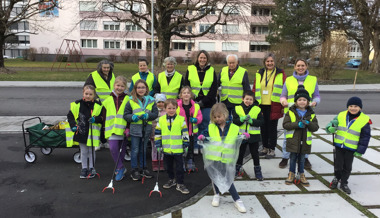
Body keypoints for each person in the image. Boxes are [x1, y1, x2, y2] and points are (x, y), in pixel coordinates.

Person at [198, 103, 249, 213]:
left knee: (228, 179)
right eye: (215, 117)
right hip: (214, 157)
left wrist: (244, 136)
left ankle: (237, 199)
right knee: (215, 176)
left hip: (227, 157)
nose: (217, 119)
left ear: (225, 115)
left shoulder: (234, 127)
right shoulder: (211, 127)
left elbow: (238, 138)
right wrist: (202, 137)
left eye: (219, 116)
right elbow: (205, 135)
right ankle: (216, 194)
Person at [279, 59, 320, 169]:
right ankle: (285, 157)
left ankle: (305, 157)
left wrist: (315, 102)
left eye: (303, 65)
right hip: (291, 112)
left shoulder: (312, 79)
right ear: (295, 67)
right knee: (288, 136)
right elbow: (283, 95)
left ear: (306, 66)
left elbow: (316, 95)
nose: (300, 67)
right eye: (298, 65)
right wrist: (283, 101)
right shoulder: (288, 80)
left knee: (305, 136)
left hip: (306, 112)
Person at [325, 97, 371, 194]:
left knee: (347, 167)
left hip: (351, 147)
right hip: (339, 145)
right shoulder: (341, 115)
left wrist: (360, 150)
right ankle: (336, 178)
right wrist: (330, 128)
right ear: (347, 107)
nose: (353, 108)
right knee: (338, 165)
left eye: (356, 106)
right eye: (351, 106)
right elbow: (332, 124)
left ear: (360, 108)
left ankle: (344, 182)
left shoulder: (364, 120)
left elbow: (365, 137)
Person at [283, 85, 319, 187]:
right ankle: (291, 173)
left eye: (304, 100)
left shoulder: (311, 114)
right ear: (295, 101)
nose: (302, 102)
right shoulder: (290, 112)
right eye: (299, 100)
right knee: (293, 158)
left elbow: (315, 127)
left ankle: (301, 174)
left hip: (305, 141)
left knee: (302, 159)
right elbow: (285, 125)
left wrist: (308, 123)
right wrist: (297, 124)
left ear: (308, 102)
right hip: (293, 140)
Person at [253, 53, 286, 159]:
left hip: (274, 105)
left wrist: (282, 107)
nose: (270, 63)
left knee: (272, 128)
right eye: (267, 61)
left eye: (271, 61)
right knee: (263, 127)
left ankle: (272, 149)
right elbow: (254, 89)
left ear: (274, 62)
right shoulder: (260, 73)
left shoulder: (280, 73)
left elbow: (285, 90)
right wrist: (254, 104)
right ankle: (265, 147)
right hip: (261, 104)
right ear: (264, 62)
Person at [123, 79, 158, 181]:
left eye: (143, 87)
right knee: (135, 149)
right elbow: (126, 115)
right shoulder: (131, 100)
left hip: (146, 128)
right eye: (138, 87)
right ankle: (134, 169)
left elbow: (155, 114)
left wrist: (148, 115)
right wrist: (132, 117)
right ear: (135, 89)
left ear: (146, 89)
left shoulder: (151, 100)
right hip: (135, 128)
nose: (141, 89)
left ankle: (143, 168)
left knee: (143, 149)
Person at [183, 50, 218, 153]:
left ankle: (203, 146)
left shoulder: (211, 70)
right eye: (201, 58)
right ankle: (194, 146)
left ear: (207, 59)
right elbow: (187, 85)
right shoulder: (190, 69)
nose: (202, 60)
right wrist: (192, 99)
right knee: (194, 125)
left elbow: (213, 88)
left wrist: (203, 101)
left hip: (207, 103)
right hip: (193, 102)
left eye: (204, 58)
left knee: (205, 124)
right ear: (197, 59)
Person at [66, 85, 103, 179]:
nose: (88, 96)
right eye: (86, 94)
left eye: (90, 94)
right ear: (83, 93)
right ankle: (84, 168)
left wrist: (95, 119)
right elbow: (70, 116)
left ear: (94, 95)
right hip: (81, 132)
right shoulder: (77, 104)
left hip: (92, 133)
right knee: (83, 151)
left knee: (91, 151)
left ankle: (91, 167)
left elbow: (102, 118)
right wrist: (73, 125)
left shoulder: (98, 106)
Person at [155, 99, 190, 194]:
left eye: (173, 108)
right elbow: (158, 133)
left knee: (179, 167)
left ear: (176, 108)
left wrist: (186, 144)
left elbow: (185, 133)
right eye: (169, 108)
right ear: (165, 109)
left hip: (178, 149)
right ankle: (171, 179)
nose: (171, 110)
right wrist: (158, 144)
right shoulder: (161, 120)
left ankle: (180, 183)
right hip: (166, 149)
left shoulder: (181, 119)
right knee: (168, 166)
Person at [101, 76, 129, 181]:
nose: (119, 88)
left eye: (122, 86)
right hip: (111, 129)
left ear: (125, 87)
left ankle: (119, 169)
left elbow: (129, 114)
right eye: (118, 85)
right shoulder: (108, 100)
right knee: (113, 149)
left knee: (121, 151)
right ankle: (121, 167)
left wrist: (128, 128)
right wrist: (104, 128)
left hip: (123, 129)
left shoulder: (128, 99)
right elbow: (104, 115)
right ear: (114, 85)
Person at [232, 91, 264, 180]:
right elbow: (235, 122)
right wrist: (241, 119)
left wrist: (252, 121)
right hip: (241, 136)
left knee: (255, 154)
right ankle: (237, 169)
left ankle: (258, 171)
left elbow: (261, 122)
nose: (248, 101)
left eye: (250, 99)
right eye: (246, 99)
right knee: (240, 153)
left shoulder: (257, 109)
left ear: (253, 101)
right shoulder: (237, 108)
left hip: (253, 136)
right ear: (243, 99)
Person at [176, 86, 203, 172]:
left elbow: (200, 117)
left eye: (188, 93)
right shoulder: (177, 105)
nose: (186, 94)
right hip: (181, 132)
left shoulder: (195, 106)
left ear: (191, 95)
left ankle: (190, 162)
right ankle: (182, 163)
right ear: (181, 95)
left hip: (190, 132)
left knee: (190, 147)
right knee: (182, 148)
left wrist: (196, 120)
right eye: (184, 93)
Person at [151, 93, 167, 172]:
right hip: (154, 133)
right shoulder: (154, 111)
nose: (160, 104)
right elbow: (151, 123)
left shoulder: (166, 112)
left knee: (162, 148)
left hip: (163, 134)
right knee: (154, 148)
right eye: (159, 102)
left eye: (162, 102)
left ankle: (161, 163)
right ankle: (155, 163)